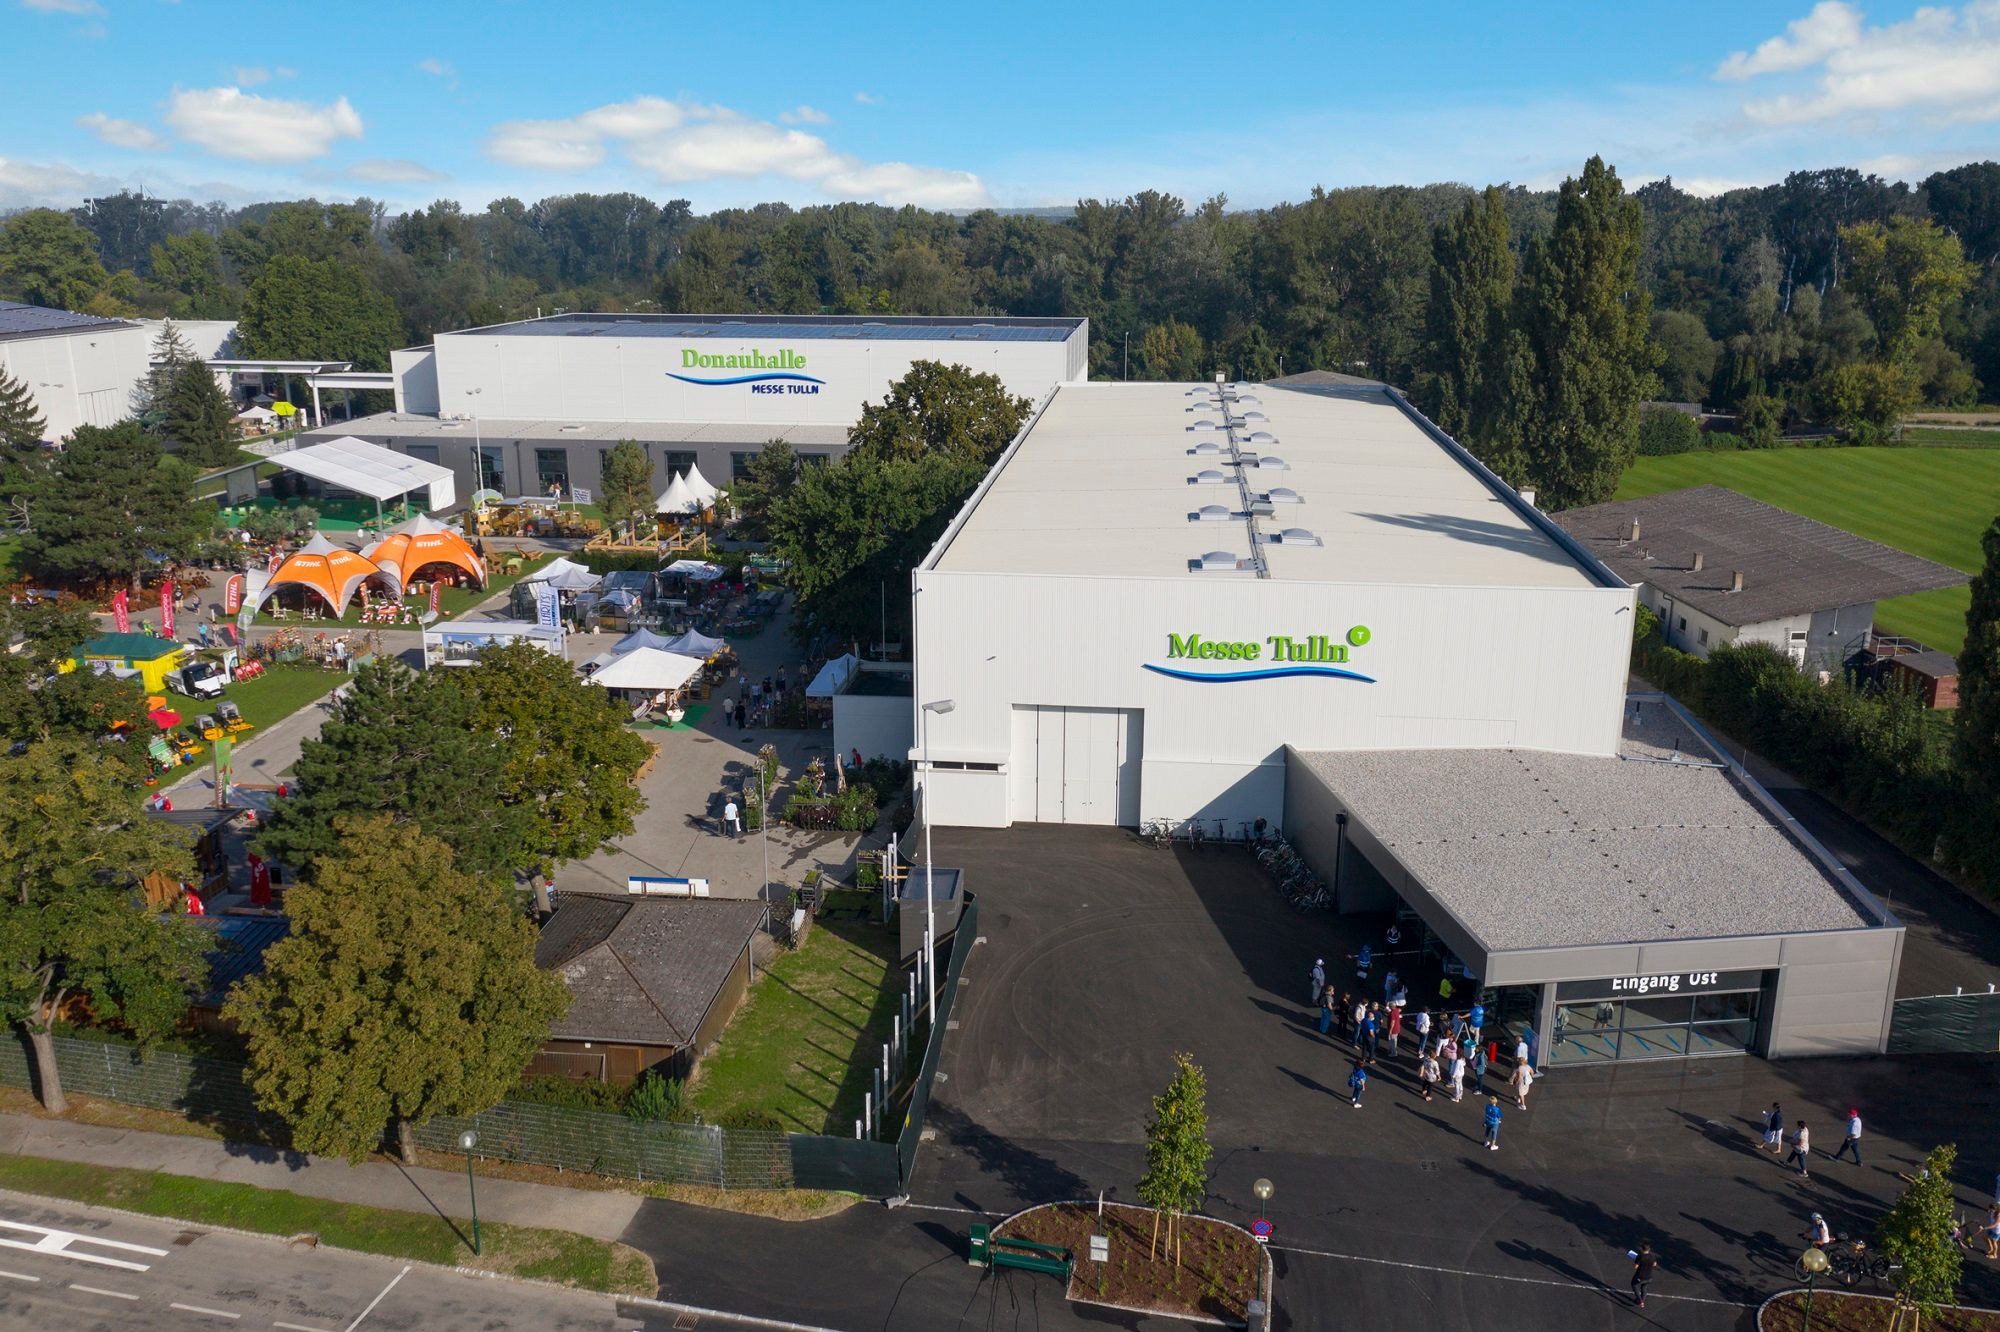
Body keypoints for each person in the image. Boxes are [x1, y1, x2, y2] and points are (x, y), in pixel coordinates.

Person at [1630, 1243, 1657, 1308]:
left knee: (1634, 1285)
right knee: (1644, 1287)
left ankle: (1640, 1301)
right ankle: (1642, 1300)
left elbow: (1635, 1267)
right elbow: (1654, 1264)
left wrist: (1635, 1260)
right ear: (1649, 1249)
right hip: (1649, 1277)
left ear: (1642, 1249)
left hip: (1640, 1276)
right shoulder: (1653, 1256)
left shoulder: (1640, 1256)